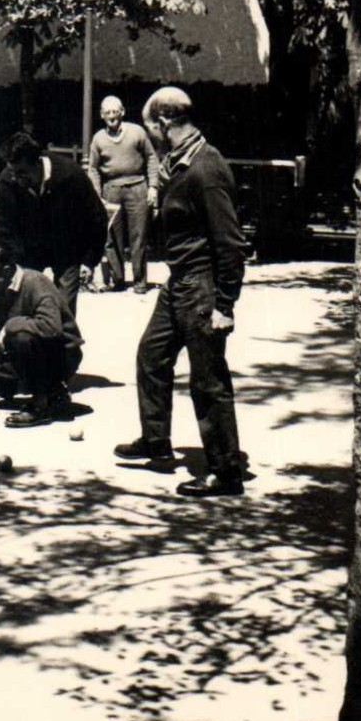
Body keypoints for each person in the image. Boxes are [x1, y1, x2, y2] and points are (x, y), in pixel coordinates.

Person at [114, 87, 249, 497]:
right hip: (180, 281)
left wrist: (224, 304)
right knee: (152, 354)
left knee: (208, 378)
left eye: (151, 125)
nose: (150, 133)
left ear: (164, 122)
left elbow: (231, 243)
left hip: (202, 284)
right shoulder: (182, 162)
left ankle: (226, 472)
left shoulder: (206, 170)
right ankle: (156, 441)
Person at [0, 131, 110, 315]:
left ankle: (65, 343)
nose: (16, 178)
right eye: (12, 172)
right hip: (28, 251)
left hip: (66, 249)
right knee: (15, 304)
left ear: (37, 162)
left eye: (22, 172)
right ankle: (0, 339)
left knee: (63, 314)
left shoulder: (71, 175)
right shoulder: (8, 180)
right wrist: (8, 266)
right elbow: (1, 229)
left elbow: (97, 218)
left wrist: (89, 261)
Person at [0, 245, 83, 428]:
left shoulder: (36, 282)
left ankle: (41, 405)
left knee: (20, 337)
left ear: (7, 270)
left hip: (60, 355)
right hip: (26, 354)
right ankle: (55, 394)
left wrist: (10, 325)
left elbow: (51, 328)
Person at [87, 94, 160, 294]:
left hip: (137, 187)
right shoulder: (98, 139)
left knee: (139, 237)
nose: (112, 116)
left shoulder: (137, 132)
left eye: (115, 111)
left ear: (122, 112)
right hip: (111, 190)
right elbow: (93, 168)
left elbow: (152, 158)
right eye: (107, 112)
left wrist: (153, 186)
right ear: (102, 115)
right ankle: (117, 281)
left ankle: (140, 283)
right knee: (111, 238)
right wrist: (96, 194)